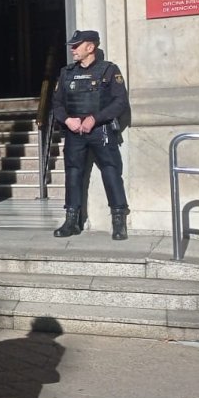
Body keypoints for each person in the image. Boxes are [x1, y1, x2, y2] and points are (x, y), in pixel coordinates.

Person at [50, 29, 130, 240]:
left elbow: (120, 102)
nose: (72, 49)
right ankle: (72, 221)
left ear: (90, 47)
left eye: (76, 45)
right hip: (75, 132)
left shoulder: (109, 71)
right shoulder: (66, 72)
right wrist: (67, 120)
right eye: (72, 46)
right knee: (73, 174)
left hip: (100, 130)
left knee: (111, 172)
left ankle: (118, 220)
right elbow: (57, 104)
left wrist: (95, 118)